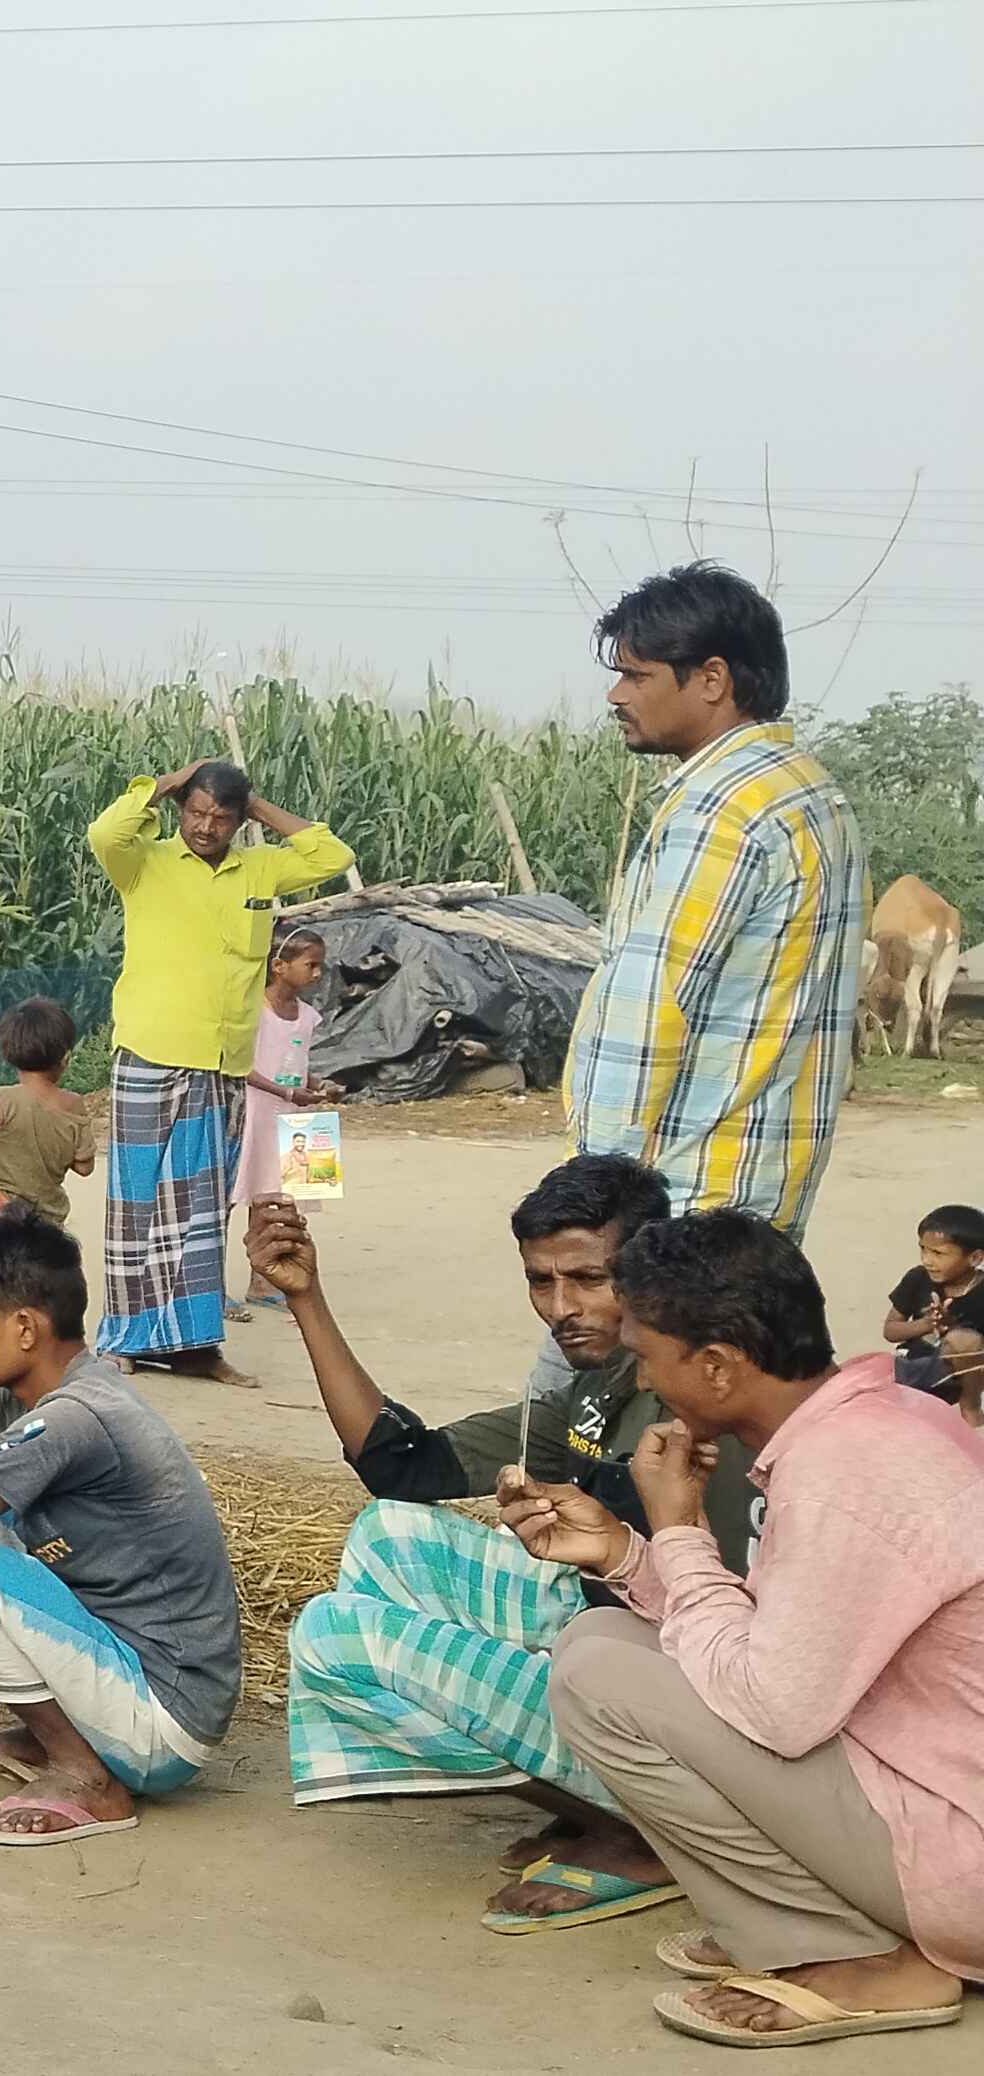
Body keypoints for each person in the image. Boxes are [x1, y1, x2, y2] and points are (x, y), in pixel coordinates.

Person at [256, 1154, 766, 1930]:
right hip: (622, 1644)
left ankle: (649, 1831)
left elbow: (735, 1638)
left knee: (336, 1637)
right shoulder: (600, 1385)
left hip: (695, 1703)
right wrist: (307, 1299)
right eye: (541, 1281)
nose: (562, 1308)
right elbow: (404, 1466)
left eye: (589, 1280)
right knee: (389, 1532)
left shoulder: (704, 1402)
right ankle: (599, 1799)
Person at [506, 1211, 979, 2048]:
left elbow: (772, 1708)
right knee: (602, 1642)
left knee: (596, 1677)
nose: (644, 1380)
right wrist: (625, 1554)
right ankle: (827, 1923)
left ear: (718, 1366)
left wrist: (678, 1529)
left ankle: (849, 1953)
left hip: (960, 1853)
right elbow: (781, 1638)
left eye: (650, 1357)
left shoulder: (844, 1472)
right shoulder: (880, 1419)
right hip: (935, 1791)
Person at [0, 1209, 243, 1848]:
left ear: (25, 1328)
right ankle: (56, 1735)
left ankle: (87, 1775)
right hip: (130, 1682)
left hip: (165, 1722)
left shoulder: (74, 1418)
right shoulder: (22, 1401)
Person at [571, 564, 868, 1236]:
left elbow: (649, 1006)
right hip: (759, 1183)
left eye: (636, 675)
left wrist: (598, 1188)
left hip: (676, 1196)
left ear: (711, 679)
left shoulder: (721, 809)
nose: (616, 695)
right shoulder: (808, 791)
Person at [85, 758, 356, 1372]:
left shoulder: (260, 869)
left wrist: (258, 807)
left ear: (238, 821)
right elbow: (105, 832)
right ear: (181, 810)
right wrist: (163, 786)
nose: (206, 827)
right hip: (151, 1053)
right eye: (196, 813)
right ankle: (124, 1341)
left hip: (223, 1065)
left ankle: (194, 1346)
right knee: (136, 1204)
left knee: (202, 1213)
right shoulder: (144, 862)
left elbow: (332, 854)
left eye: (221, 817)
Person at [226, 926, 333, 1316]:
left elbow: (297, 1064)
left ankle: (264, 1281)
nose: (317, 973)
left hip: (294, 1116)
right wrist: (287, 1092)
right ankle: (212, 1286)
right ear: (278, 966)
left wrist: (318, 1085)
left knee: (281, 1201)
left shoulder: (306, 1017)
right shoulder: (254, 1011)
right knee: (234, 1196)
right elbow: (241, 1067)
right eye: (310, 965)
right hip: (257, 1111)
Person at [0, 995, 96, 1226]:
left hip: (2, 1219)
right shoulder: (74, 1104)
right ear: (65, 1058)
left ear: (8, 1053)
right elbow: (85, 1168)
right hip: (50, 1223)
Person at [880, 1204, 984, 1403]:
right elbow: (890, 1331)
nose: (927, 1260)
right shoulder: (918, 1278)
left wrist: (953, 1330)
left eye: (938, 1253)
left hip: (960, 1376)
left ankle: (970, 1407)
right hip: (912, 1367)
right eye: (923, 1249)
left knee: (962, 1341)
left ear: (975, 1258)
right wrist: (927, 1324)